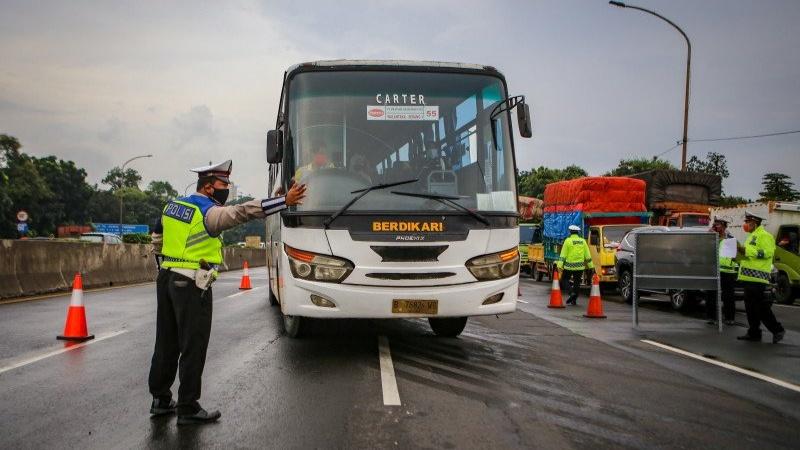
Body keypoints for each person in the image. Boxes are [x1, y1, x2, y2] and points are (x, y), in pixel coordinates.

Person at [148, 159, 307, 425]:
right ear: (209, 187)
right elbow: (242, 212)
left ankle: (160, 399)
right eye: (224, 185)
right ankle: (188, 407)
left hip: (166, 278)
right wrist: (283, 202)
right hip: (192, 283)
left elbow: (157, 239)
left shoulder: (172, 206)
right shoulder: (207, 213)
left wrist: (167, 262)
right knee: (193, 345)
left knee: (166, 341)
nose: (226, 189)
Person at [736, 211, 785, 343]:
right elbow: (749, 257)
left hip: (758, 278)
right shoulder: (751, 236)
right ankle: (754, 332)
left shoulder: (765, 236)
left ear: (755, 222)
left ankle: (778, 330)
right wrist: (738, 255)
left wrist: (747, 251)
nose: (745, 224)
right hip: (748, 278)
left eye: (748, 221)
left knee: (761, 307)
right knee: (750, 308)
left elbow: (767, 253)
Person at [706, 218, 738, 325]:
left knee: (728, 296)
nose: (715, 226)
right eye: (714, 224)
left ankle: (730, 318)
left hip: (727, 271)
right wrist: (709, 236)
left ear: (724, 226)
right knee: (711, 294)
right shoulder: (710, 237)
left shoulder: (730, 238)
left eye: (717, 224)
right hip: (713, 270)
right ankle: (711, 317)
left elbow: (735, 255)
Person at [557, 225, 594, 305]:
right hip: (580, 267)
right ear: (578, 232)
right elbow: (587, 255)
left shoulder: (568, 241)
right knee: (577, 283)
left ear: (570, 232)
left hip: (569, 266)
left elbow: (563, 254)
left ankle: (571, 293)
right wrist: (591, 266)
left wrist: (559, 265)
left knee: (564, 280)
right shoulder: (583, 241)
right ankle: (574, 300)